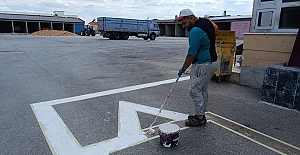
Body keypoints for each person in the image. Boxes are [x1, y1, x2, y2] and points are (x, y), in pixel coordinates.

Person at [176, 9, 218, 127]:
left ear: (191, 18)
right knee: (202, 90)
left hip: (202, 65)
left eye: (184, 23)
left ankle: (199, 118)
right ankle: (201, 114)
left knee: (194, 90)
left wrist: (183, 68)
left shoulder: (195, 31)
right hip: (212, 63)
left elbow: (191, 54)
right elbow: (216, 27)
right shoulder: (206, 21)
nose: (184, 26)